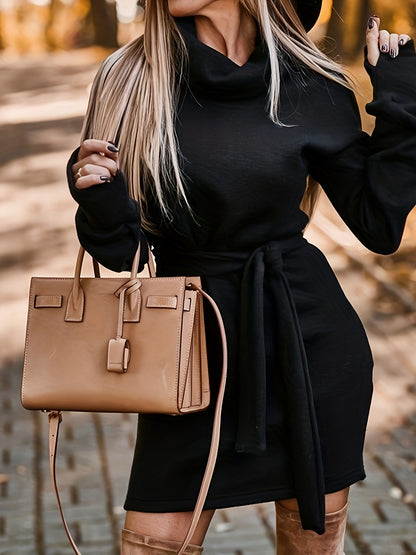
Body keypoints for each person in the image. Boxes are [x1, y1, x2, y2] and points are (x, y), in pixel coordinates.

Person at [67, 1, 416, 553]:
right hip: (187, 354)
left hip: (308, 349)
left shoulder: (313, 85)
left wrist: (400, 102)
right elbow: (127, 258)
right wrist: (102, 203)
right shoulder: (131, 79)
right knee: (150, 542)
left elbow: (378, 224)